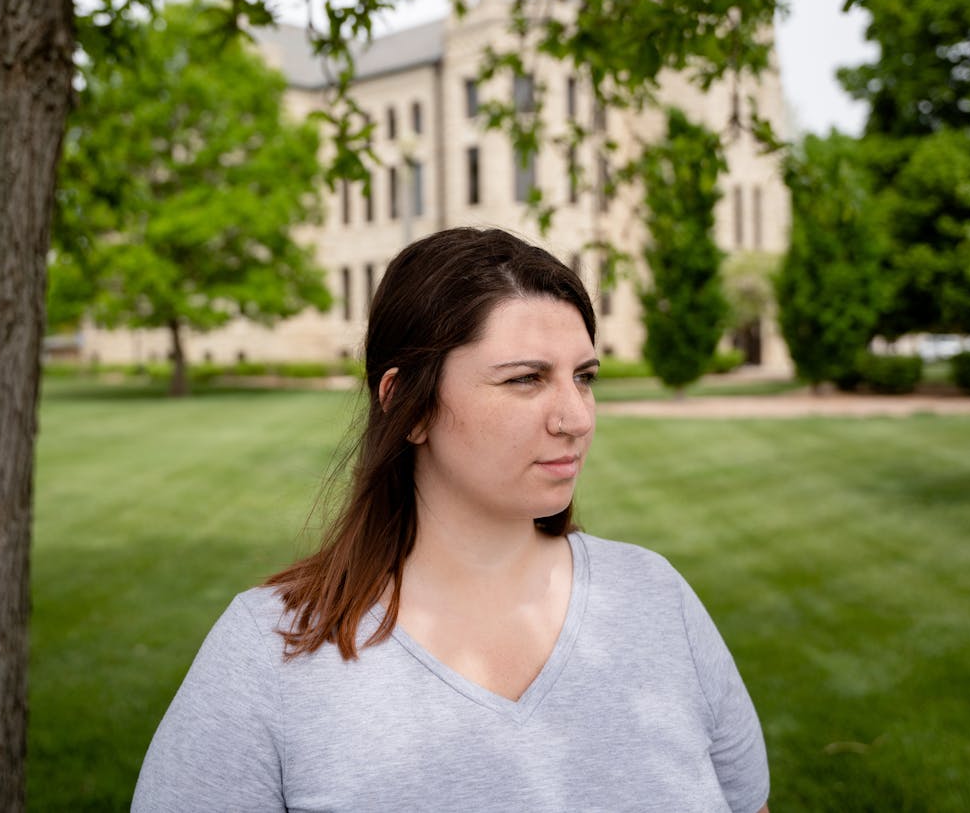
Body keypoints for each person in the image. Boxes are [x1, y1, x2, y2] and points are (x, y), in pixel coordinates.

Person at [132, 226, 769, 812]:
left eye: (585, 376)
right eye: (526, 379)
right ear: (406, 406)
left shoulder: (656, 598)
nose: (576, 416)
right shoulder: (271, 652)